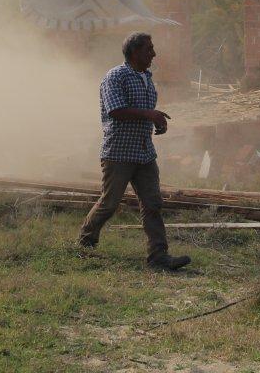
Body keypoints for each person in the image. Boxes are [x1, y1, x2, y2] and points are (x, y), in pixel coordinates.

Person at [78, 32, 190, 271]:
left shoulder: (146, 78)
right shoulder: (115, 77)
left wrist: (157, 121)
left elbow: (143, 111)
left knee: (153, 203)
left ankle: (158, 257)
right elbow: (116, 110)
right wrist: (150, 115)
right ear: (134, 52)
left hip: (144, 153)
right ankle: (85, 241)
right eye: (149, 49)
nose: (153, 54)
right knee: (109, 203)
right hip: (119, 152)